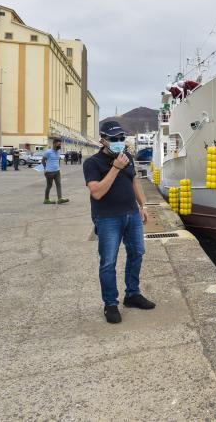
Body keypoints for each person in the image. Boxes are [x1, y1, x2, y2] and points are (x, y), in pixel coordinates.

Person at [84, 120, 155, 324]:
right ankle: (111, 304)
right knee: (108, 262)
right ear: (103, 141)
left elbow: (134, 181)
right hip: (107, 218)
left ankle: (132, 294)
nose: (119, 142)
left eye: (122, 139)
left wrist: (143, 205)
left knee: (137, 252)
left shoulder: (128, 157)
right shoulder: (92, 163)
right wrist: (115, 167)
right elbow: (96, 192)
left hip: (131, 214)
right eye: (114, 139)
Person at [42, 138, 68, 205]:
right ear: (54, 144)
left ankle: (60, 199)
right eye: (58, 144)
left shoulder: (58, 152)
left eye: (60, 144)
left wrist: (58, 167)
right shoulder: (48, 152)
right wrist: (45, 168)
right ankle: (46, 199)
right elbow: (43, 160)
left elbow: (58, 160)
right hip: (49, 172)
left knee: (58, 184)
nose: (60, 146)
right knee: (49, 186)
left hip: (57, 172)